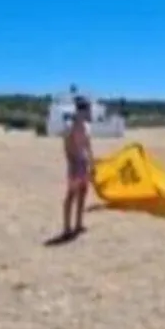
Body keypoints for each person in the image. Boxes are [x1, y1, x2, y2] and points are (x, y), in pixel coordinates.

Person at [61, 96, 94, 238]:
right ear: (81, 110)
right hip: (75, 163)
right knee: (71, 195)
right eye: (87, 109)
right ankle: (67, 227)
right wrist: (71, 161)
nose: (89, 112)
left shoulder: (86, 126)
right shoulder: (70, 125)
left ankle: (78, 224)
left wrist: (91, 162)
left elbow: (88, 145)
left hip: (84, 162)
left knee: (83, 193)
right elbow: (66, 145)